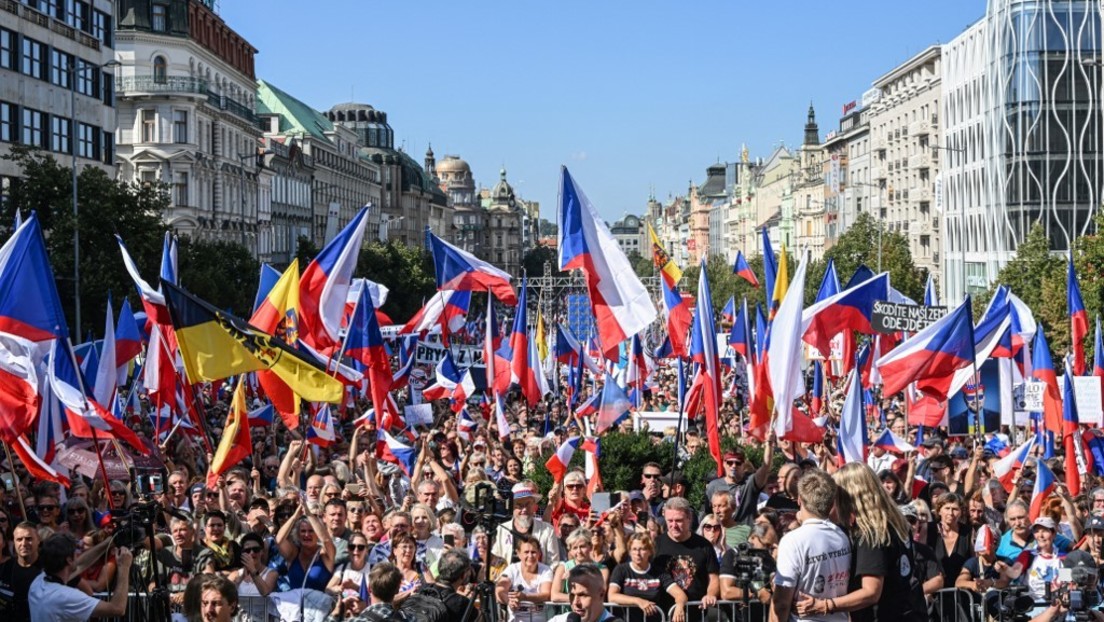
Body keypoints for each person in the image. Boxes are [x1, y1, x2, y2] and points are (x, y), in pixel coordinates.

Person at [797, 463, 926, 622]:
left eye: (837, 495)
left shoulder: (871, 532)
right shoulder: (893, 522)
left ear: (850, 495)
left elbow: (871, 592)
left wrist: (825, 605)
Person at [769, 468, 851, 622]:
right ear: (832, 502)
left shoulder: (793, 540)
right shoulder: (842, 536)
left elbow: (781, 603)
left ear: (799, 499)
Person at [28, 533, 132, 621]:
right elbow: (117, 609)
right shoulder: (66, 597)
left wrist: (107, 543)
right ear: (69, 560)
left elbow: (80, 565)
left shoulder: (38, 582)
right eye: (75, 553)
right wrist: (124, 567)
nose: (78, 555)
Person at [652, 497, 719, 612]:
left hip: (698, 612)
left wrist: (710, 595)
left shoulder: (704, 545)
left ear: (689, 518)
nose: (674, 525)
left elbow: (713, 578)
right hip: (665, 613)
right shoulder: (656, 545)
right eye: (670, 521)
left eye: (678, 520)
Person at [608, 533, 687, 622]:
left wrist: (679, 607)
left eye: (642, 549)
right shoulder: (621, 570)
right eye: (634, 549)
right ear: (629, 552)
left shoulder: (659, 572)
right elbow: (612, 596)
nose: (638, 553)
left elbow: (680, 594)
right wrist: (638, 601)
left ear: (650, 551)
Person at [327, 561, 416, 621]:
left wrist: (336, 613)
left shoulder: (357, 620)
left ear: (369, 588)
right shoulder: (409, 619)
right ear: (397, 590)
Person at [496, 534, 553, 622]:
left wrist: (525, 597)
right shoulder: (512, 569)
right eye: (526, 552)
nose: (530, 556)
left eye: (533, 552)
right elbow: (500, 590)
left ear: (539, 553)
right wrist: (509, 601)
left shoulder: (546, 570)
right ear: (518, 553)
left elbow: (546, 594)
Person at [548, 563, 626, 622]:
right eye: (572, 595)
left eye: (582, 595)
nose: (575, 603)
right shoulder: (560, 620)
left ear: (601, 594)